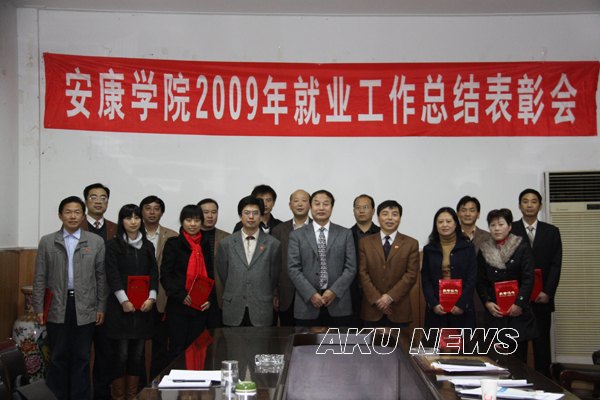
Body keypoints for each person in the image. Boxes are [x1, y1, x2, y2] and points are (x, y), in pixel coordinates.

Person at [32, 196, 106, 400]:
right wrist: (38, 308)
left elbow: (101, 277)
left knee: (82, 357)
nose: (72, 216)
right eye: (68, 212)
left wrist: (101, 307)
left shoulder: (96, 241)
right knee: (58, 357)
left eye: (77, 212)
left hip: (86, 306)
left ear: (83, 216)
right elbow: (39, 277)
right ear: (60, 215)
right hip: (57, 305)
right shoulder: (48, 241)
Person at [104, 204, 158, 400]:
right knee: (121, 355)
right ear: (122, 221)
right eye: (128, 218)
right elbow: (113, 275)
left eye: (136, 217)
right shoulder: (113, 245)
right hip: (120, 309)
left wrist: (152, 297)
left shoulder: (148, 246)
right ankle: (119, 396)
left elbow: (153, 273)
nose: (133, 222)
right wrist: (124, 301)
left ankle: (132, 395)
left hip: (143, 308)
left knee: (137, 355)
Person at [511, 188, 562, 376]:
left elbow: (556, 265)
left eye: (534, 201)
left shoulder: (551, 231)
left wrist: (547, 292)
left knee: (542, 347)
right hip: (517, 301)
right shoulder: (511, 230)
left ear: (540, 206)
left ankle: (545, 386)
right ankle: (517, 383)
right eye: (525, 201)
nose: (529, 205)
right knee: (518, 348)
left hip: (542, 299)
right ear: (519, 206)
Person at [288, 190, 357, 327]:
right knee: (305, 341)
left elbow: (351, 267)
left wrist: (334, 291)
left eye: (326, 204)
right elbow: (293, 269)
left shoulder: (345, 233)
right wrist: (311, 294)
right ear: (310, 206)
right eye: (317, 204)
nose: (321, 208)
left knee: (339, 341)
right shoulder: (297, 235)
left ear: (332, 207)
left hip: (338, 303)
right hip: (307, 304)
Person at [476, 208, 538, 362]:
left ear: (509, 226)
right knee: (496, 360)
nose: (496, 229)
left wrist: (519, 304)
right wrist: (487, 302)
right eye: (492, 225)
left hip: (517, 312)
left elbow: (528, 278)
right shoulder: (484, 249)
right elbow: (480, 280)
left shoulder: (521, 246)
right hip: (495, 312)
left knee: (518, 360)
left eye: (501, 224)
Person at [216, 196, 281, 326]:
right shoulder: (226, 243)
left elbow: (274, 276)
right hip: (234, 306)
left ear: (261, 216)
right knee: (232, 340)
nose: (251, 217)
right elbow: (223, 274)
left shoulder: (273, 244)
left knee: (262, 340)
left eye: (255, 213)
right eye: (247, 213)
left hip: (261, 306)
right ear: (240, 216)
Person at [160, 205, 212, 361]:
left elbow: (210, 274)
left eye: (197, 220)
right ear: (182, 222)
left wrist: (209, 299)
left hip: (200, 308)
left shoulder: (205, 244)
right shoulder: (173, 243)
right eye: (188, 220)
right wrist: (180, 295)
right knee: (177, 350)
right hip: (178, 306)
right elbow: (166, 275)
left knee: (196, 349)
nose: (193, 224)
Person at [80, 182, 116, 400]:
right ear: (86, 201)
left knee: (106, 354)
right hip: (81, 301)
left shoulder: (116, 228)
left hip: (110, 301)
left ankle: (102, 396)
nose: (99, 201)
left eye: (103, 197)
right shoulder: (76, 226)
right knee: (81, 354)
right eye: (93, 197)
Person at [358, 200, 419, 328]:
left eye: (394, 214)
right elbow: (362, 273)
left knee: (400, 341)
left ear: (400, 218)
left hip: (399, 308)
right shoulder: (365, 243)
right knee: (370, 341)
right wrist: (377, 299)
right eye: (385, 214)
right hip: (372, 309)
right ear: (378, 217)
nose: (390, 218)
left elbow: (411, 275)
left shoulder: (411, 243)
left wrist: (390, 297)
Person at [139, 195, 178, 378]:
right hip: (137, 298)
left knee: (161, 345)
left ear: (162, 212)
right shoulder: (132, 234)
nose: (152, 212)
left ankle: (157, 382)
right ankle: (139, 386)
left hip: (163, 298)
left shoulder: (172, 236)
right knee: (137, 347)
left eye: (156, 208)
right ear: (141, 211)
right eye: (148, 208)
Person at [421, 207, 477, 329]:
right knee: (437, 340)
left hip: (462, 307)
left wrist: (461, 304)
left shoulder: (468, 248)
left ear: (456, 224)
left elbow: (471, 279)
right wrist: (434, 304)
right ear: (435, 225)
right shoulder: (429, 249)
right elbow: (426, 280)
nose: (444, 225)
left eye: (448, 221)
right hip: (437, 307)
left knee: (462, 341)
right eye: (440, 222)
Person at [271, 189, 311, 326]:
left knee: (310, 334)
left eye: (304, 201)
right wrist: (275, 293)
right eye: (296, 201)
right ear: (290, 205)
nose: (300, 204)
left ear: (310, 205)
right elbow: (274, 264)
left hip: (312, 293)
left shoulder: (318, 228)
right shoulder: (278, 230)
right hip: (286, 293)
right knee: (286, 334)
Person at [198, 198, 230, 327]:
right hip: (196, 293)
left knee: (219, 335)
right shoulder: (190, 237)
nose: (210, 216)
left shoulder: (227, 238)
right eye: (206, 212)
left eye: (214, 212)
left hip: (220, 295)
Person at [350, 194, 380, 327]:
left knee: (376, 334)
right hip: (352, 292)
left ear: (373, 211)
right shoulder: (345, 234)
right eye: (358, 207)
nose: (361, 210)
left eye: (365, 207)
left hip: (377, 291)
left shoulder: (382, 234)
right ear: (353, 211)